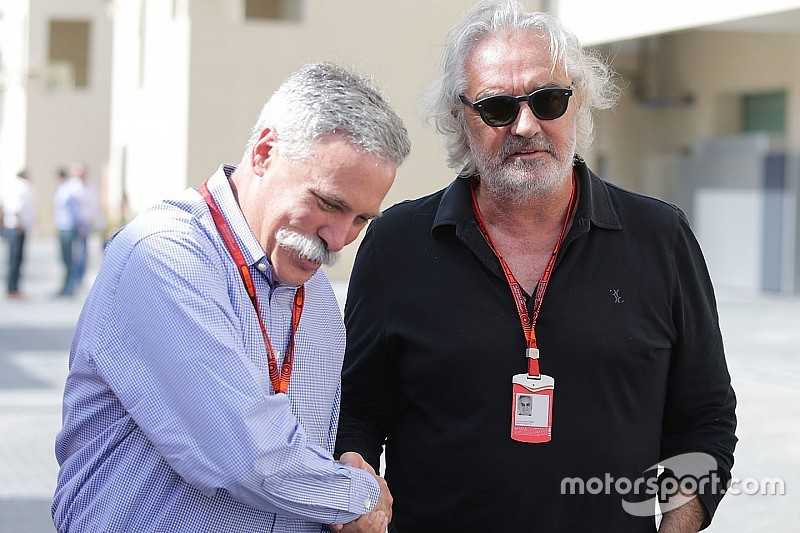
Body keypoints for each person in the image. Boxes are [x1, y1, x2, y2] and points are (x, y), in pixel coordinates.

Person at [335, 2, 737, 532]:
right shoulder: (396, 245)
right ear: (461, 118)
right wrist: (355, 498)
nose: (526, 125)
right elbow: (356, 415)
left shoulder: (661, 238)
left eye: (549, 100)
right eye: (498, 108)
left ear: (578, 103)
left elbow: (704, 418)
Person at [52, 61, 411, 533]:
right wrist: (360, 495)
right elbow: (246, 455)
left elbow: (300, 456)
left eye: (362, 219)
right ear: (264, 152)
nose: (340, 238)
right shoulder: (163, 253)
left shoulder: (318, 297)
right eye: (328, 204)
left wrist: (340, 478)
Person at [52, 164, 86, 296]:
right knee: (64, 258)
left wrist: (79, 225)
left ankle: (70, 287)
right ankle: (66, 286)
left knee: (70, 258)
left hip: (69, 226)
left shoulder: (69, 189)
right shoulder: (62, 189)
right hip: (62, 226)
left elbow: (75, 210)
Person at [2, 169, 35, 299]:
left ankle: (12, 287)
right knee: (16, 259)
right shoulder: (23, 187)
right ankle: (13, 288)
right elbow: (17, 207)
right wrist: (20, 223)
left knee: (13, 259)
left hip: (11, 225)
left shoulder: (11, 186)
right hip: (17, 226)